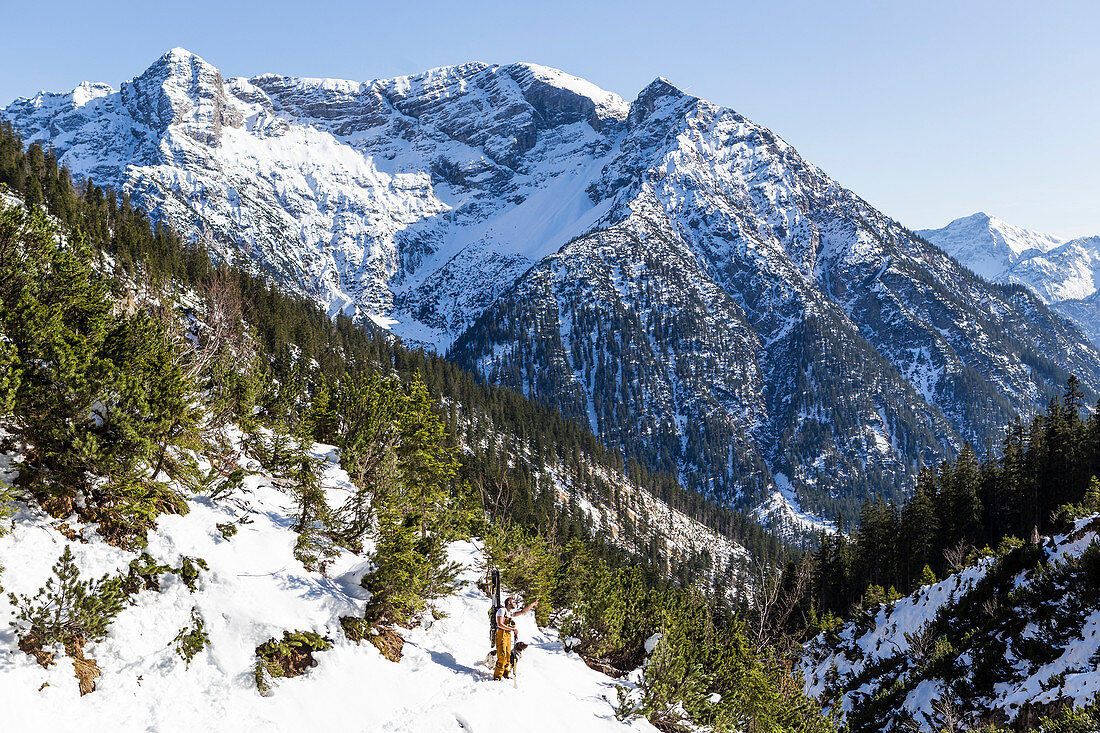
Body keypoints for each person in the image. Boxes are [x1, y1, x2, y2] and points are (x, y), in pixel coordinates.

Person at [493, 596, 537, 680]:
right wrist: (512, 629)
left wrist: (532, 604)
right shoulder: (501, 611)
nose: (515, 604)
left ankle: (505, 674)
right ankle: (497, 676)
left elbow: (522, 612)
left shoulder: (509, 613)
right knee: (502, 655)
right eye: (513, 602)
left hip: (508, 635)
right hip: (501, 635)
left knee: (508, 656)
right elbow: (499, 624)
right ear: (508, 602)